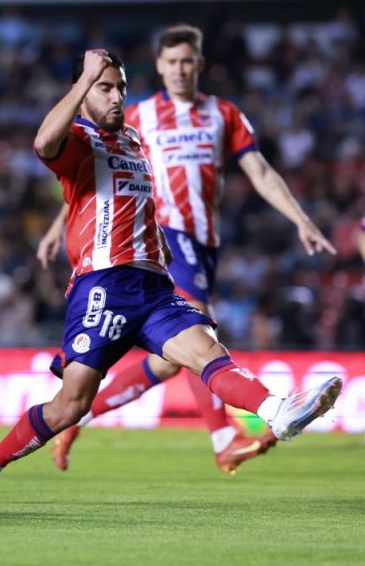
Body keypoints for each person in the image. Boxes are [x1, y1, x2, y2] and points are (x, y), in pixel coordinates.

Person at [0, 49, 342, 505]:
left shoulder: (132, 141)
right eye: (104, 88)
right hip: (105, 285)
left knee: (206, 350)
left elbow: (137, 204)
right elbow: (42, 144)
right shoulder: (79, 140)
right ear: (85, 91)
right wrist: (82, 81)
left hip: (153, 285)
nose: (116, 97)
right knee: (70, 405)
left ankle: (278, 412)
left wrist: (160, 246)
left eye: (120, 88)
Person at [39, 25, 336, 474]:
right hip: (162, 238)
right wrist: (57, 226)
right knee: (197, 338)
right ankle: (225, 438)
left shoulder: (223, 115)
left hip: (204, 241)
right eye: (171, 62)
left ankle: (78, 416)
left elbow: (259, 171)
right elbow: (93, 174)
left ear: (199, 64)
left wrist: (300, 218)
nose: (179, 69)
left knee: (166, 364)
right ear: (159, 66)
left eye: (186, 61)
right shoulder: (134, 114)